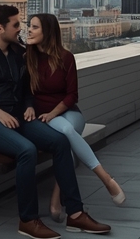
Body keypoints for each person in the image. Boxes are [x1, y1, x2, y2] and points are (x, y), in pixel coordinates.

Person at [0, 5, 111, 239]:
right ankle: (28, 220)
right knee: (27, 150)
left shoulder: (19, 54)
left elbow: (26, 88)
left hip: (19, 117)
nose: (22, 29)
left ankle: (76, 213)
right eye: (16, 25)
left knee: (60, 142)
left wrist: (29, 104)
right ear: (0, 28)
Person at [24, 13, 126, 222]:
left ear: (48, 31)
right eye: (29, 26)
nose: (29, 30)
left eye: (34, 27)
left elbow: (73, 95)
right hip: (46, 117)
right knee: (67, 137)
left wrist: (53, 113)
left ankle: (83, 186)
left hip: (68, 114)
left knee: (68, 132)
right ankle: (103, 180)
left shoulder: (65, 57)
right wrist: (31, 108)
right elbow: (24, 92)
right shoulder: (27, 58)